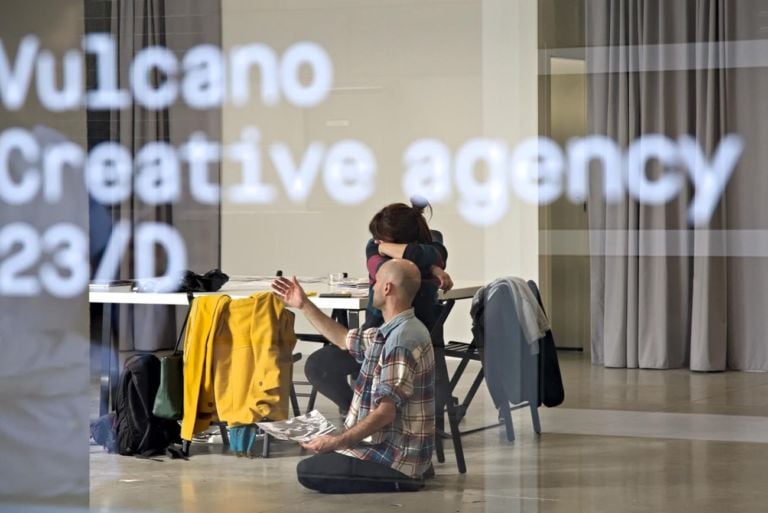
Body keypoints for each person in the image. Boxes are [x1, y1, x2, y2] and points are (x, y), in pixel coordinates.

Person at [272, 259, 435, 493]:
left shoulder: (401, 341)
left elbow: (385, 413)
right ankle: (404, 471)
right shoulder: (394, 330)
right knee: (322, 461)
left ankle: (403, 479)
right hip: (390, 447)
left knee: (308, 470)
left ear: (387, 288)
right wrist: (303, 304)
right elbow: (344, 339)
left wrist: (337, 441)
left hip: (395, 458)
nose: (372, 287)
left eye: (376, 282)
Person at [305, 200, 452, 413]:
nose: (376, 241)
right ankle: (357, 413)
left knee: (319, 365)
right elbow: (385, 269)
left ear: (402, 240)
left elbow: (400, 273)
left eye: (383, 240)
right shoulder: (375, 247)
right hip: (374, 340)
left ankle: (367, 418)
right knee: (319, 366)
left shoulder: (434, 248)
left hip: (405, 346)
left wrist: (424, 262)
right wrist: (433, 269)